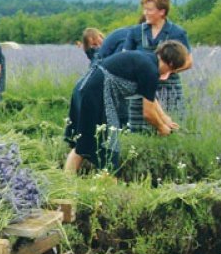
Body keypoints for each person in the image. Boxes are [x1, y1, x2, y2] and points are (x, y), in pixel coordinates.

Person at [64, 39, 189, 174]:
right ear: (171, 64)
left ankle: (66, 183)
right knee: (108, 149)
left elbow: (150, 98)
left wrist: (165, 119)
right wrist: (162, 128)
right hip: (97, 95)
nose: (169, 75)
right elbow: (148, 113)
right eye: (173, 71)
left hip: (83, 89)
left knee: (83, 142)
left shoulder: (147, 59)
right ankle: (110, 188)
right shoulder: (151, 71)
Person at [122, 0, 193, 131]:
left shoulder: (177, 32)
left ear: (162, 11)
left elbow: (188, 61)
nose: (145, 13)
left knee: (172, 123)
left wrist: (169, 71)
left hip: (168, 86)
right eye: (144, 9)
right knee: (139, 128)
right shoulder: (135, 31)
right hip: (141, 87)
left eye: (149, 10)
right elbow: (126, 58)